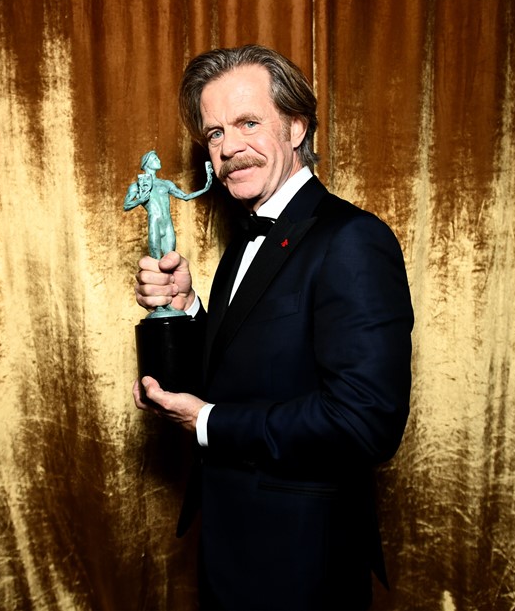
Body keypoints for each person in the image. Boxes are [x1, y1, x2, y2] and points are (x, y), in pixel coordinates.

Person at [132, 45, 413, 609]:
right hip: (231, 553)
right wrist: (188, 310)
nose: (229, 148)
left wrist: (209, 423)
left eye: (248, 123)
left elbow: (365, 423)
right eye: (214, 134)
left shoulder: (352, 239)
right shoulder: (245, 244)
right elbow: (249, 368)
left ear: (296, 127)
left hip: (303, 565)